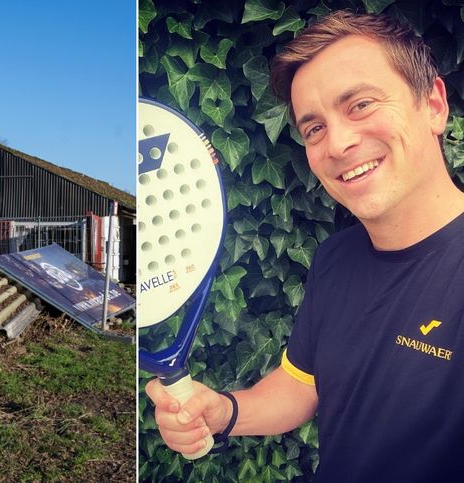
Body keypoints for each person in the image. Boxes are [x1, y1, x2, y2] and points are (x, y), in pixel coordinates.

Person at [145, 9, 464, 482]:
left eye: (360, 105)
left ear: (434, 104)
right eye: (314, 128)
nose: (337, 143)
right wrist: (222, 411)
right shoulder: (335, 258)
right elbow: (301, 385)